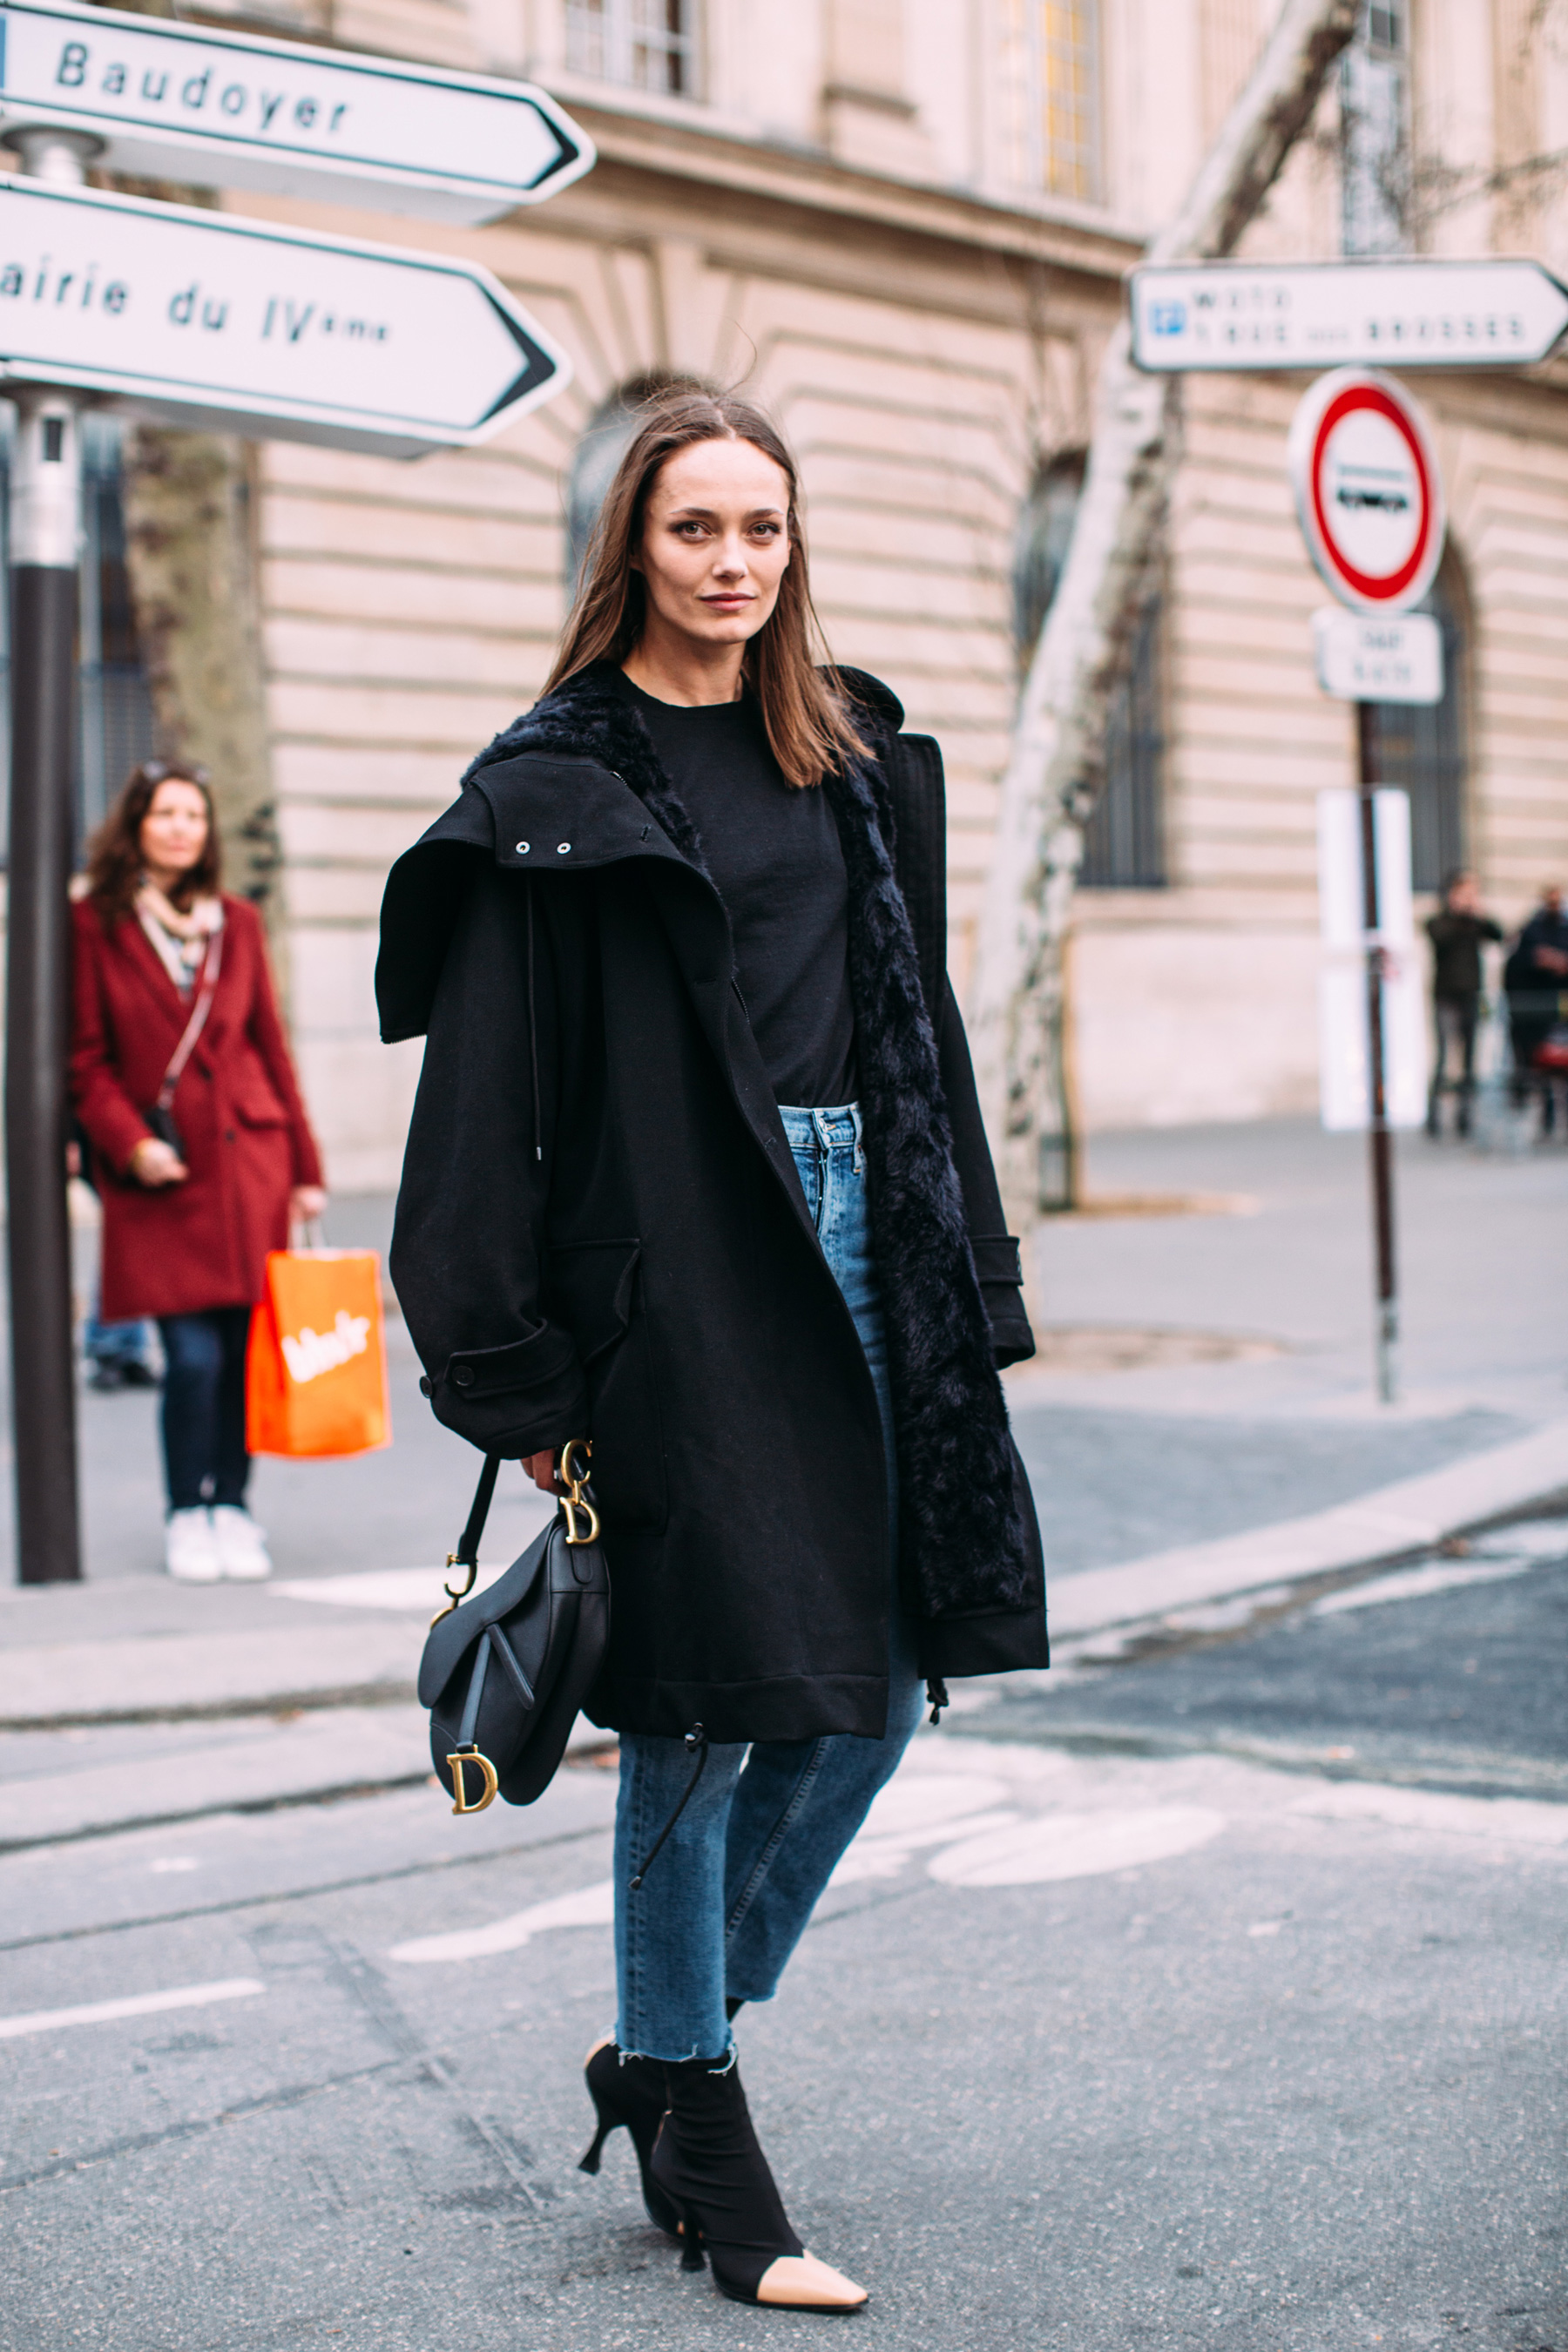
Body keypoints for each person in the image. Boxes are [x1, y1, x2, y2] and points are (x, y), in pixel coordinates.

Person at [377, 390, 1045, 2312]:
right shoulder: (554, 788)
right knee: (688, 1699)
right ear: (632, 547)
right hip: (674, 1272)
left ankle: (669, 2048)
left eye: (763, 527)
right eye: (695, 530)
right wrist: (513, 1376)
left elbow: (923, 1037)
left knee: (890, 1674)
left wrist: (971, 1287)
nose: (734, 562)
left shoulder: (848, 759)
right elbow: (482, 1105)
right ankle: (711, 2139)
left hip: (870, 1243)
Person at [71, 760, 327, 1581]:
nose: (183, 827)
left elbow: (269, 1046)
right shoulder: (94, 923)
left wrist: (306, 1166)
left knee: (244, 1352)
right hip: (161, 1174)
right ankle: (189, 1509)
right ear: (136, 825)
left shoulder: (238, 923)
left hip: (250, 1162)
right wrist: (126, 1142)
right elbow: (82, 1059)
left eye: (195, 815)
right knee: (192, 1358)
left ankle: (235, 1509)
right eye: (166, 813)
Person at [1424, 869, 1501, 1139]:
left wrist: (1478, 913)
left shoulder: (1475, 923)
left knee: (1470, 1058)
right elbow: (1440, 939)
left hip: (1471, 995)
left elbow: (1498, 935)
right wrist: (1458, 912)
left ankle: (1465, 1117)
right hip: (1445, 996)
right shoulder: (1438, 921)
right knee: (1443, 1056)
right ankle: (1432, 1117)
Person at [1504, 884, 1568, 1134]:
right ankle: (1546, 1117)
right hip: (1532, 1014)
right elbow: (1516, 965)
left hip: (1559, 1011)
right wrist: (1538, 960)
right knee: (1537, 1069)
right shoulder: (1530, 931)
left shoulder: (1563, 929)